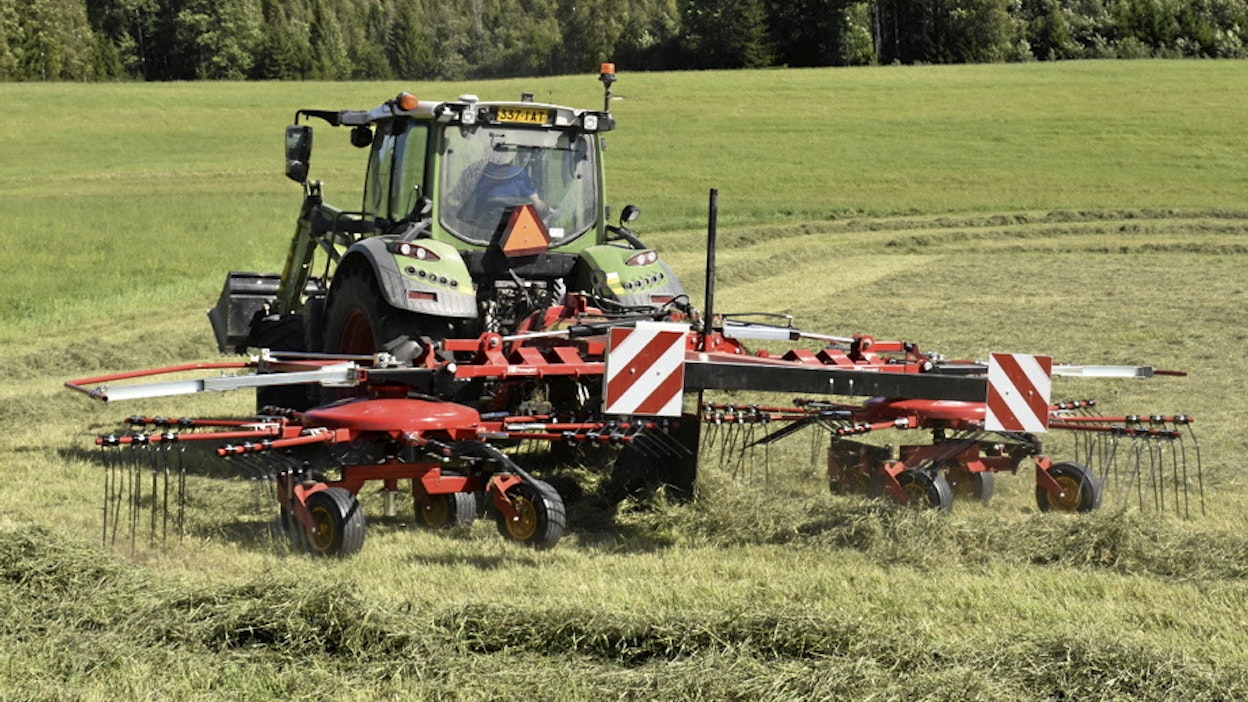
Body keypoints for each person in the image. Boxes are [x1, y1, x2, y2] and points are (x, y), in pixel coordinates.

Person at [462, 146, 552, 228]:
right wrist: (550, 211)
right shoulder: (519, 174)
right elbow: (538, 205)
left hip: (478, 226)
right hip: (513, 227)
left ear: (486, 152)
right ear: (509, 155)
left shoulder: (474, 169)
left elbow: (458, 196)